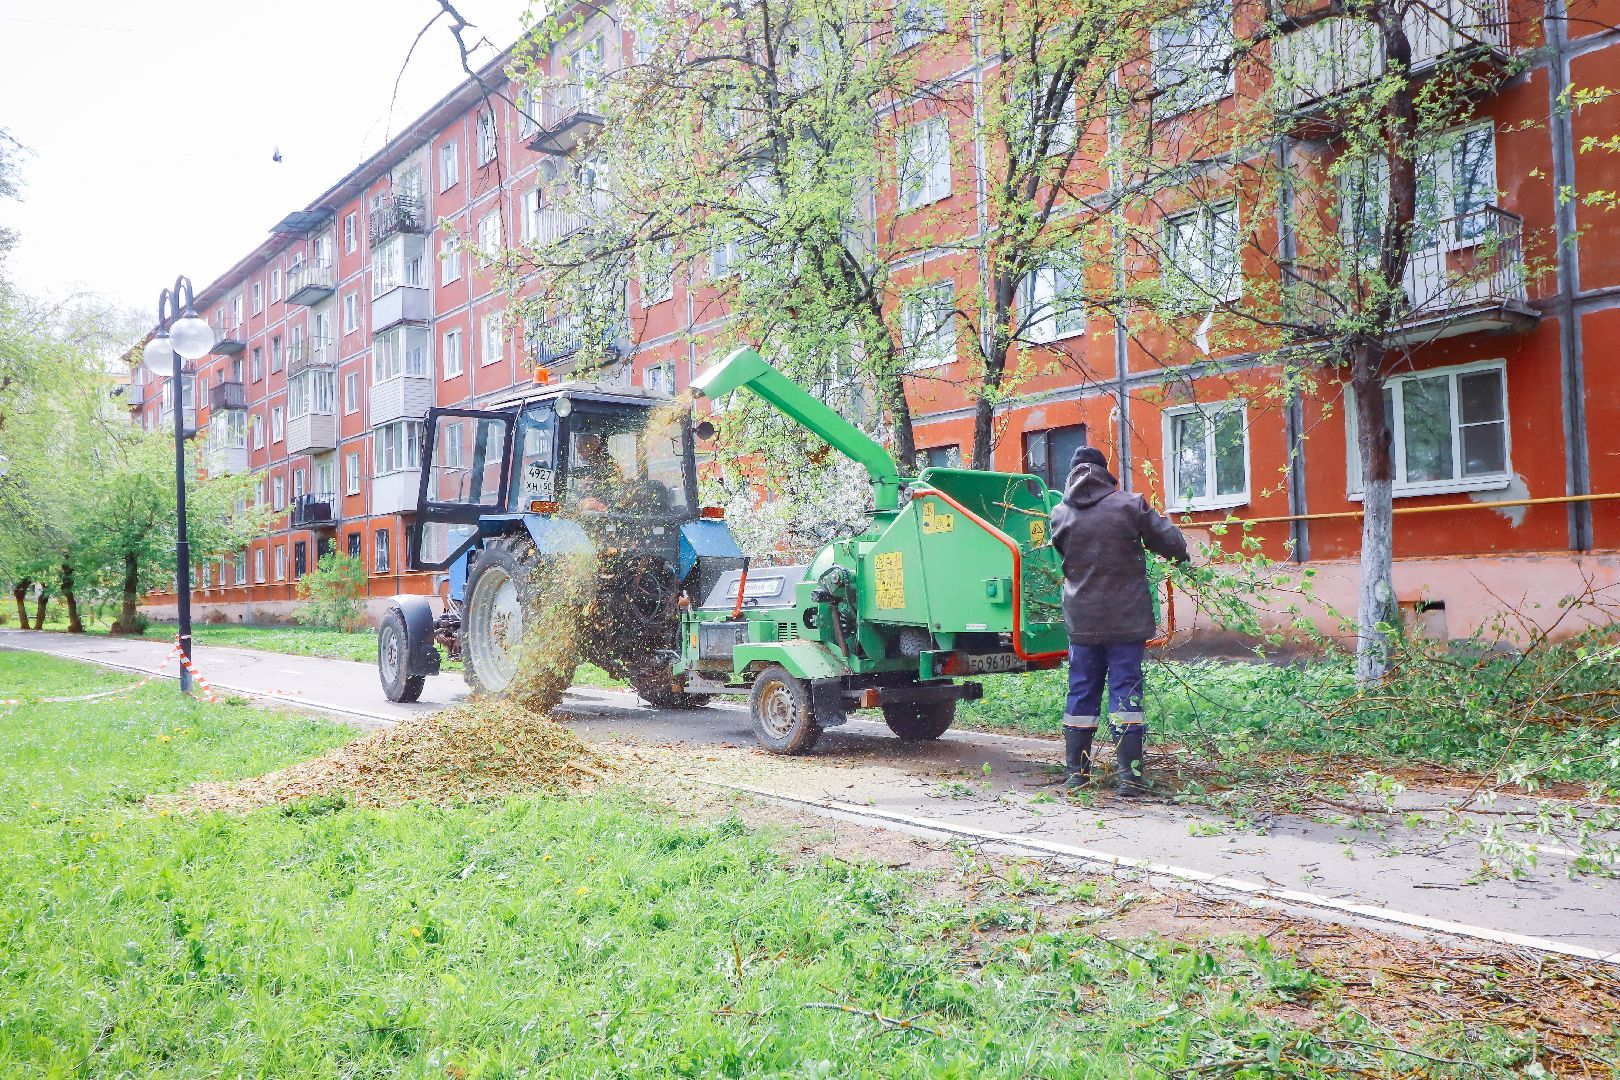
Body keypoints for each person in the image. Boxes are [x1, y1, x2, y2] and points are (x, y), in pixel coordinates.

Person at [1049, 446, 1189, 796]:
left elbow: (1064, 555)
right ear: (1104, 472)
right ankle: (1130, 778)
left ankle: (1076, 775)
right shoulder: (1130, 505)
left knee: (1081, 691)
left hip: (1082, 622)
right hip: (1126, 621)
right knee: (1126, 691)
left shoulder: (1060, 513)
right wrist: (1180, 555)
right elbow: (1171, 543)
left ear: (1072, 474)